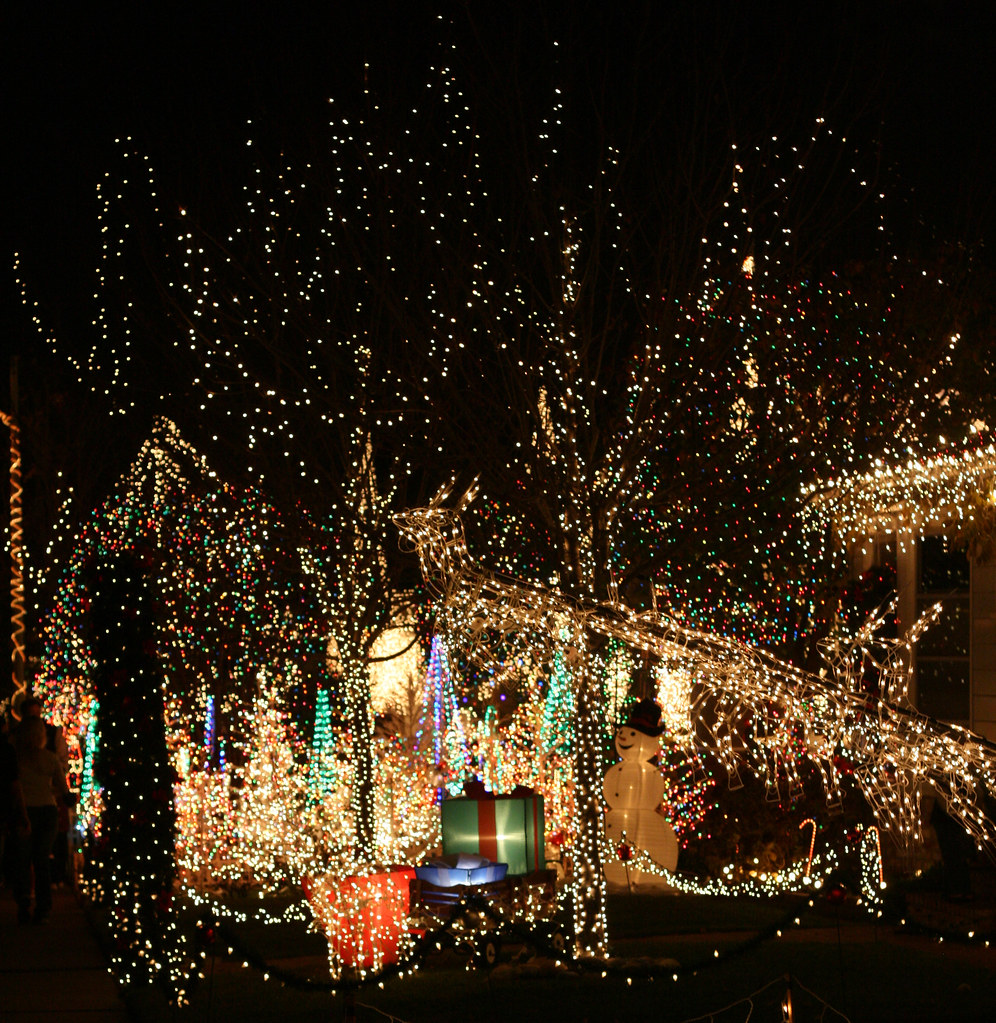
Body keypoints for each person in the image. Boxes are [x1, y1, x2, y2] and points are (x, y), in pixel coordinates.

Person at [13, 716, 71, 924]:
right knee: (41, 860)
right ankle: (44, 907)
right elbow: (63, 788)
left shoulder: (17, 760)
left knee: (23, 859)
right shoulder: (49, 758)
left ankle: (24, 901)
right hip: (47, 810)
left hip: (24, 811)